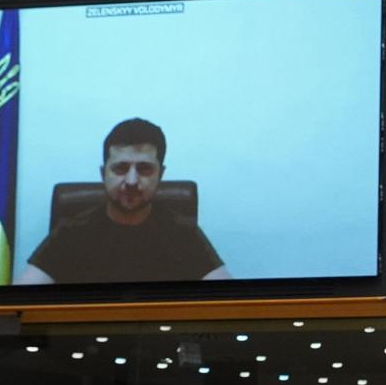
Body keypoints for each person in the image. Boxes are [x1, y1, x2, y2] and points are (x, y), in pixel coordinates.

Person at [15, 117, 232, 285]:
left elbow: (228, 302)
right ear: (103, 174)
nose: (131, 180)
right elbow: (21, 302)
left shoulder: (183, 233)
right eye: (120, 168)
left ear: (161, 175)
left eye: (144, 169)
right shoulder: (71, 232)